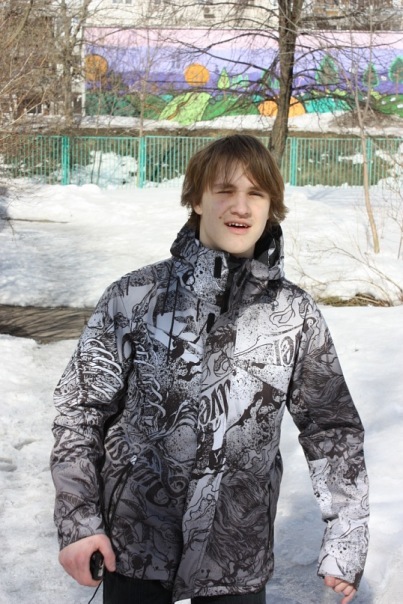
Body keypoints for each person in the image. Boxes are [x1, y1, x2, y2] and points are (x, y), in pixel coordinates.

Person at [51, 134, 369, 604]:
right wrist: (78, 521)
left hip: (235, 555)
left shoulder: (293, 314)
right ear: (197, 200)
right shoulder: (135, 297)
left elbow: (332, 428)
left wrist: (346, 536)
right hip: (136, 545)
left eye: (256, 193)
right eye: (225, 190)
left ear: (271, 207)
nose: (240, 206)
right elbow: (80, 411)